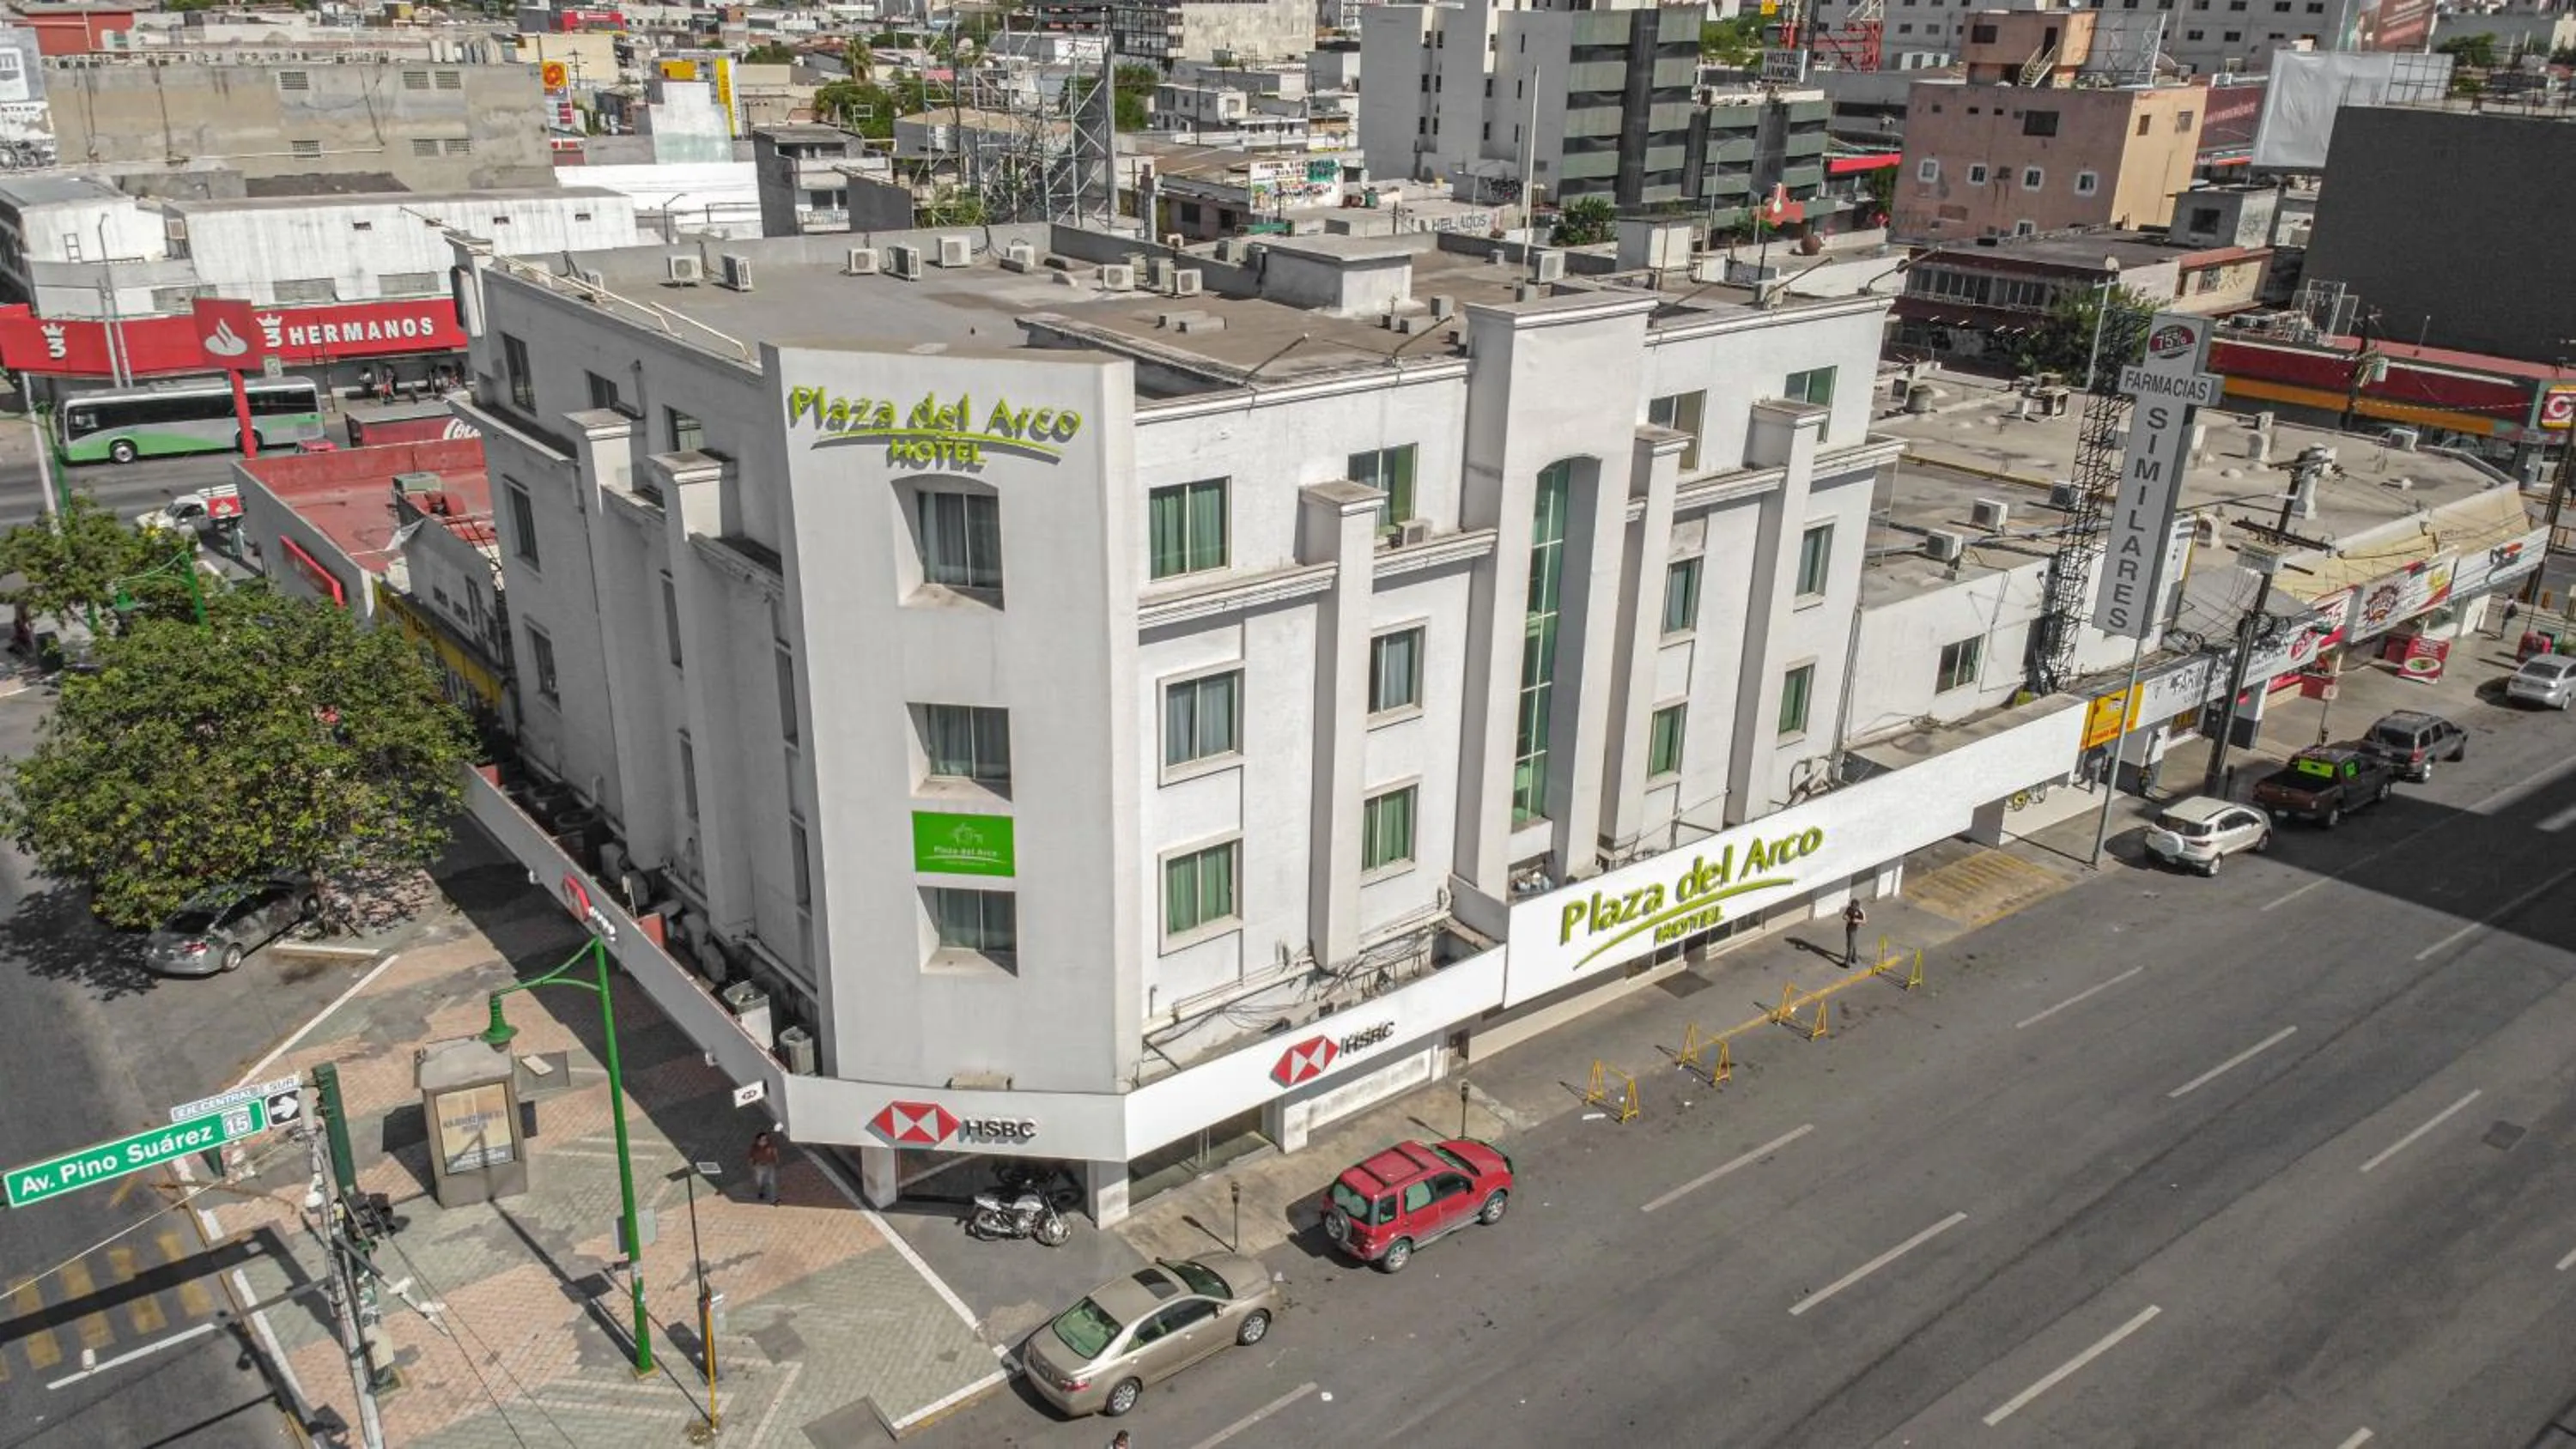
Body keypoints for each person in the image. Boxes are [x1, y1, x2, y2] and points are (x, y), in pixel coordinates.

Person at [748, 1131, 781, 1204]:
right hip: (759, 1166)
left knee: (772, 1182)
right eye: (763, 1139)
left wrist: (776, 1159)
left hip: (770, 1165)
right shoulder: (754, 1147)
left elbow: (775, 1152)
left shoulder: (770, 1145)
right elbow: (751, 1157)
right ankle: (761, 1191)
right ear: (758, 1139)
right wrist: (752, 1165)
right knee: (759, 1181)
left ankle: (773, 1199)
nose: (765, 1140)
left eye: (765, 1139)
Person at [1842, 898, 1866, 969]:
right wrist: (1847, 918)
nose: (1852, 907)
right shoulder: (1849, 909)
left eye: (1854, 906)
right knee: (1853, 944)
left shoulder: (1861, 912)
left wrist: (1857, 921)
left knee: (1849, 946)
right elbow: (1844, 916)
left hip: (1854, 930)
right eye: (1852, 905)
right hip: (1849, 929)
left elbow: (1864, 921)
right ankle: (1854, 958)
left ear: (1857, 906)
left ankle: (1847, 963)